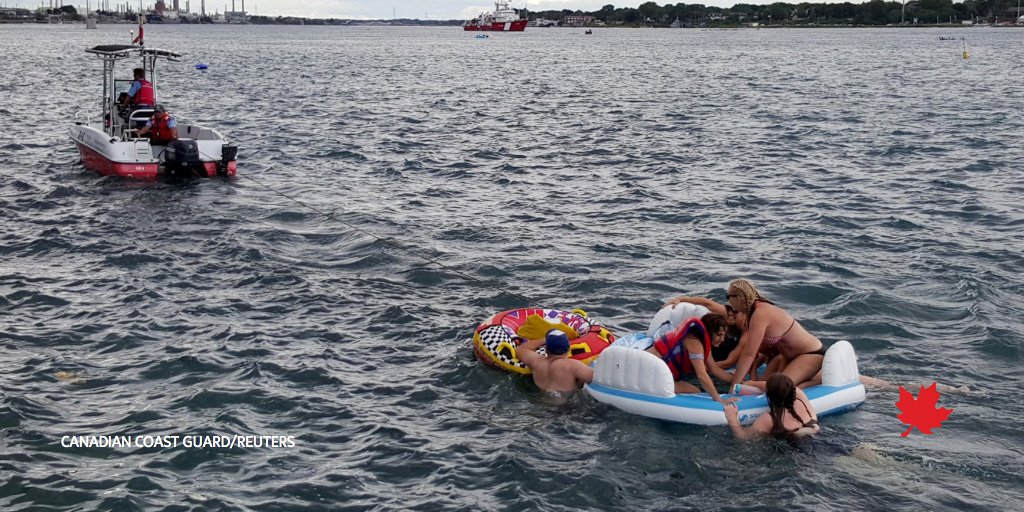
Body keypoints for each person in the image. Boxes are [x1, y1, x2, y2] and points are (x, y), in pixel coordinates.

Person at [726, 279, 825, 389]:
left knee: (779, 388)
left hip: (810, 354)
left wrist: (734, 386)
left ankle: (817, 380)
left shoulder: (760, 313)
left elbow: (749, 354)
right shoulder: (755, 311)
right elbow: (753, 352)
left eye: (727, 296)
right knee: (769, 384)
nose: (728, 302)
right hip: (788, 357)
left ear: (738, 298)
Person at [644, 313, 737, 403]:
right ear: (709, 332)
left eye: (723, 335)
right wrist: (719, 400)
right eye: (719, 335)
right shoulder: (694, 341)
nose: (723, 339)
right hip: (649, 373)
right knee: (695, 391)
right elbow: (702, 375)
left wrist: (736, 381)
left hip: (658, 373)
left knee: (694, 389)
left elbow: (714, 369)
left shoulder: (701, 342)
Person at [724, 374, 819, 440]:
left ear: (769, 395)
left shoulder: (768, 419)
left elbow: (744, 437)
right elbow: (787, 388)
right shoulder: (803, 402)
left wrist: (732, 418)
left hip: (789, 450)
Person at [514, 330, 594, 394]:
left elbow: (520, 349)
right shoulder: (572, 365)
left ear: (546, 349)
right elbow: (596, 377)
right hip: (566, 409)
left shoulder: (537, 362)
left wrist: (545, 339)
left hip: (540, 406)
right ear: (568, 349)